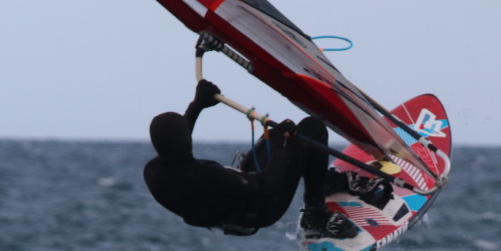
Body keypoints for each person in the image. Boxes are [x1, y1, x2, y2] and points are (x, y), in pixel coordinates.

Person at [143, 80, 387, 239]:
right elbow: (265, 185)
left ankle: (321, 178)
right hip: (261, 208)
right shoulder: (203, 175)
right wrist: (283, 145)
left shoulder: (154, 171)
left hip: (232, 203)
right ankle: (315, 215)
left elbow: (176, 139)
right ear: (185, 141)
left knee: (276, 136)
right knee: (310, 129)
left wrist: (197, 106)